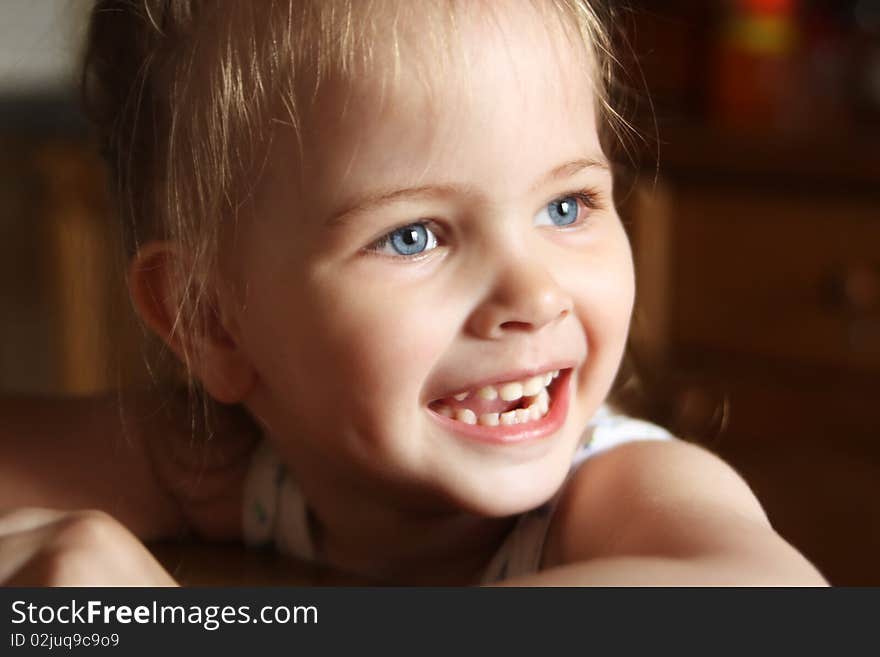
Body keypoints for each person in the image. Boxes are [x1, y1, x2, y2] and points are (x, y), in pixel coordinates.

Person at [0, 0, 827, 586]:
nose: (535, 294)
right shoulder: (228, 460)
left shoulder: (614, 489)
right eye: (414, 235)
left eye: (566, 206)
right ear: (212, 318)